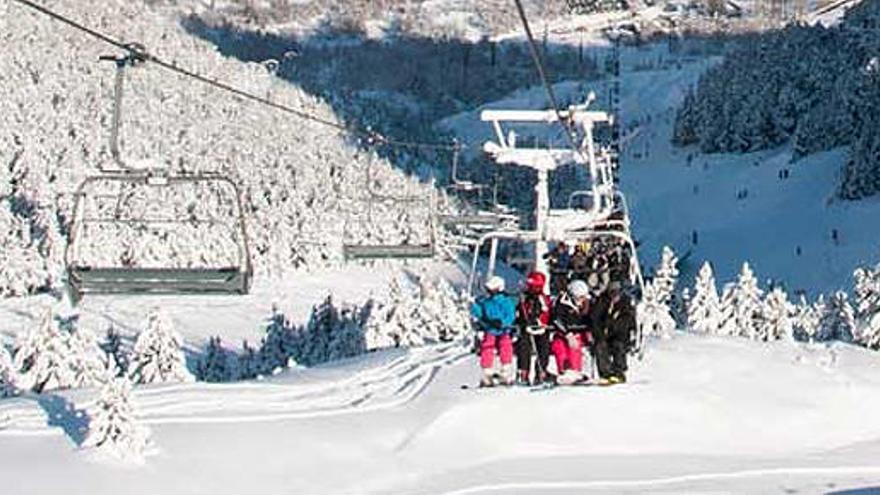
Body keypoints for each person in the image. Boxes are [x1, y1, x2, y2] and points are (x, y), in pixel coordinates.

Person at [471, 275, 517, 387]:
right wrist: (473, 305)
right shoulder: (487, 302)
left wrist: (503, 323)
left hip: (503, 329)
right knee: (487, 344)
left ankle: (505, 369)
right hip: (490, 328)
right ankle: (487, 370)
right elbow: (481, 314)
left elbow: (510, 315)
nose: (489, 292)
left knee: (505, 344)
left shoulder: (506, 301)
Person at [589, 281, 636, 384]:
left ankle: (619, 372)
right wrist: (600, 333)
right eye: (612, 293)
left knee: (618, 345)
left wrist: (614, 325)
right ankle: (606, 373)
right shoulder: (602, 302)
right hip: (603, 334)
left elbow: (628, 321)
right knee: (600, 346)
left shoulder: (625, 303)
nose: (615, 297)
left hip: (619, 335)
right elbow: (595, 319)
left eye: (617, 293)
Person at [550, 279, 592, 385]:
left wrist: (590, 332)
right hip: (563, 333)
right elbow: (556, 319)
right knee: (558, 345)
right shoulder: (561, 302)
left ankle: (575, 370)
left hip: (579, 333)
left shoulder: (587, 304)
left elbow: (591, 319)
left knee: (575, 346)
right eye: (579, 297)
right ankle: (564, 371)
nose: (581, 300)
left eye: (583, 297)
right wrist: (567, 334)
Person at [515, 271, 553, 386]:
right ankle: (523, 372)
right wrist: (521, 321)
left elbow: (546, 311)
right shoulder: (524, 298)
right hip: (527, 328)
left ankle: (541, 372)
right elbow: (520, 312)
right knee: (523, 345)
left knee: (543, 348)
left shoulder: (543, 298)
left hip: (541, 327)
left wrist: (540, 321)